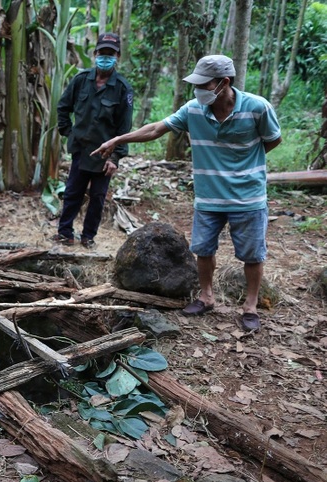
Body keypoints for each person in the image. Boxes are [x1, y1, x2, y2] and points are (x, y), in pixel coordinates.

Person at [91, 55, 282, 331]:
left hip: (248, 197)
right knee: (203, 249)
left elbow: (273, 139)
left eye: (204, 84)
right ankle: (206, 297)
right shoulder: (193, 109)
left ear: (224, 82)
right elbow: (157, 128)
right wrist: (119, 139)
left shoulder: (257, 107)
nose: (199, 89)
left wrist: (245, 165)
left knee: (252, 254)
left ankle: (250, 306)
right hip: (208, 197)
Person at [53, 32, 134, 249]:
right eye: (102, 53)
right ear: (95, 53)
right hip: (81, 148)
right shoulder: (81, 81)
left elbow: (124, 128)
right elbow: (63, 108)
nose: (106, 57)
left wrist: (115, 157)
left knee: (97, 197)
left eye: (111, 54)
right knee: (72, 192)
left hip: (104, 154)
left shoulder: (123, 88)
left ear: (117, 56)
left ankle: (88, 237)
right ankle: (65, 233)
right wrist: (68, 132)